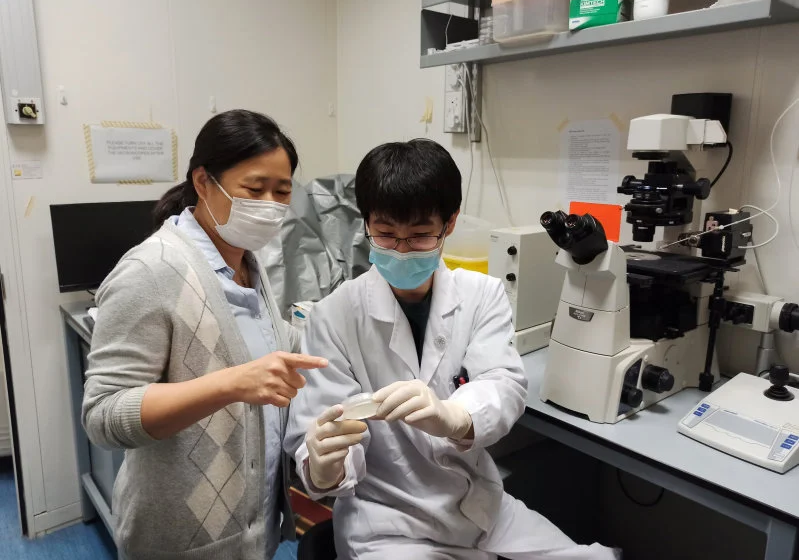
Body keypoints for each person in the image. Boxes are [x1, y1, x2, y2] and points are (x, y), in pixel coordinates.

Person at [284, 139, 619, 560]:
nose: (401, 251)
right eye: (385, 235)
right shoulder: (332, 317)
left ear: (451, 222)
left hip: (481, 509)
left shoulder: (482, 294)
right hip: (387, 525)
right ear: (366, 222)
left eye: (421, 236)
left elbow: (504, 383)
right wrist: (325, 465)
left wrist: (456, 416)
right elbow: (324, 431)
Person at [82, 110, 327, 560]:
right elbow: (103, 416)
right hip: (182, 538)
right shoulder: (151, 271)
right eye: (254, 189)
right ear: (203, 181)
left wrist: (336, 330)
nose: (270, 204)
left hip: (252, 528)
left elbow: (263, 338)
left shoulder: (247, 262)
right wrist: (230, 384)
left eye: (283, 191)